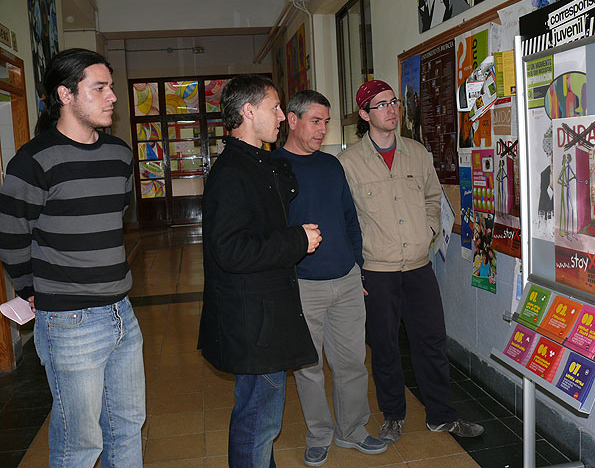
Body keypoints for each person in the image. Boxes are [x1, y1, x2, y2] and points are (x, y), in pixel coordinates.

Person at [0, 48, 145, 467]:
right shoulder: (33, 161)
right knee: (80, 442)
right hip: (69, 321)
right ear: (65, 94)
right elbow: (11, 234)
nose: (112, 96)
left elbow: (113, 216)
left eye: (111, 87)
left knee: (128, 425)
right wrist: (29, 289)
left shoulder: (120, 154)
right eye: (99, 88)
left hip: (122, 311)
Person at [338, 79, 484, 443]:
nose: (391, 109)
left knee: (431, 342)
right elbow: (344, 220)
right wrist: (355, 269)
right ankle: (393, 415)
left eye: (394, 102)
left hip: (419, 267)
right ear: (364, 115)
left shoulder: (417, 153)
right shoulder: (348, 163)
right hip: (377, 271)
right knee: (385, 347)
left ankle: (441, 415)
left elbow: (434, 197)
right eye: (381, 105)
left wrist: (429, 229)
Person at [197, 75, 322, 467]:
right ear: (249, 112)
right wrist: (297, 241)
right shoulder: (232, 172)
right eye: (275, 107)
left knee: (260, 419)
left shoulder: (256, 163)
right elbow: (231, 250)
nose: (282, 116)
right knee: (258, 422)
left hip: (263, 315)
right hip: (254, 322)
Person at [272, 90, 387, 466]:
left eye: (326, 122)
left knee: (352, 362)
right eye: (315, 121)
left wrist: (357, 267)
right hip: (303, 285)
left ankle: (352, 430)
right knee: (309, 367)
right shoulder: (273, 168)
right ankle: (319, 434)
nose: (322, 129)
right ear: (292, 120)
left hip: (346, 280)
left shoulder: (332, 165)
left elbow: (349, 219)